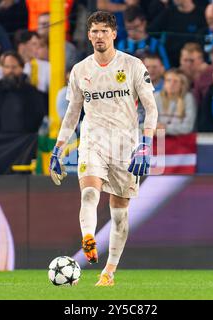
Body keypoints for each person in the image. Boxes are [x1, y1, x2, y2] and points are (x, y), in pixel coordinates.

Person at [49, 11, 158, 287]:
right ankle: (89, 238)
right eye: (94, 31)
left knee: (119, 214)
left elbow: (151, 107)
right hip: (92, 141)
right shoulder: (80, 70)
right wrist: (58, 149)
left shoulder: (133, 66)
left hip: (125, 146)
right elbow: (72, 113)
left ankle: (108, 272)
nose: (99, 36)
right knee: (88, 192)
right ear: (88, 35)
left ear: (113, 34)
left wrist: (145, 144)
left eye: (103, 31)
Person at [0, 51, 45, 133]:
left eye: (14, 67)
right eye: (7, 67)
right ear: (2, 69)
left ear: (22, 68)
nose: (10, 70)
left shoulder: (32, 93)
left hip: (25, 141)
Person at [148, 0, 207, 67]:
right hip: (171, 63)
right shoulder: (168, 13)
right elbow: (151, 31)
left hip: (194, 62)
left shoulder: (202, 14)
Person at [155, 68, 197, 135]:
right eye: (168, 80)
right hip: (160, 137)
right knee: (158, 144)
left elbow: (188, 127)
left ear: (182, 85)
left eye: (176, 81)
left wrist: (166, 128)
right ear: (164, 83)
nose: (171, 84)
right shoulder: (156, 97)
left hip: (181, 139)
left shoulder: (188, 98)